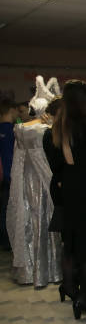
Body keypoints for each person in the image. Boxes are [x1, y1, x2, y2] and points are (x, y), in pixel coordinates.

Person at [43, 80, 86, 319]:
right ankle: (82, 296)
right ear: (85, 100)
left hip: (69, 188)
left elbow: (55, 165)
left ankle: (70, 287)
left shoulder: (57, 128)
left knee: (72, 243)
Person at [7, 93, 63, 286]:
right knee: (46, 221)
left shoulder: (20, 128)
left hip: (25, 179)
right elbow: (51, 159)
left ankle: (29, 271)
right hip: (45, 180)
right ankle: (50, 271)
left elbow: (19, 158)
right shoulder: (46, 130)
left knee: (28, 221)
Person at [0, 98, 15, 251]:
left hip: (4, 174)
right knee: (8, 208)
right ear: (11, 110)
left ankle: (4, 240)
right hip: (10, 174)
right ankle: (7, 241)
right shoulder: (14, 131)